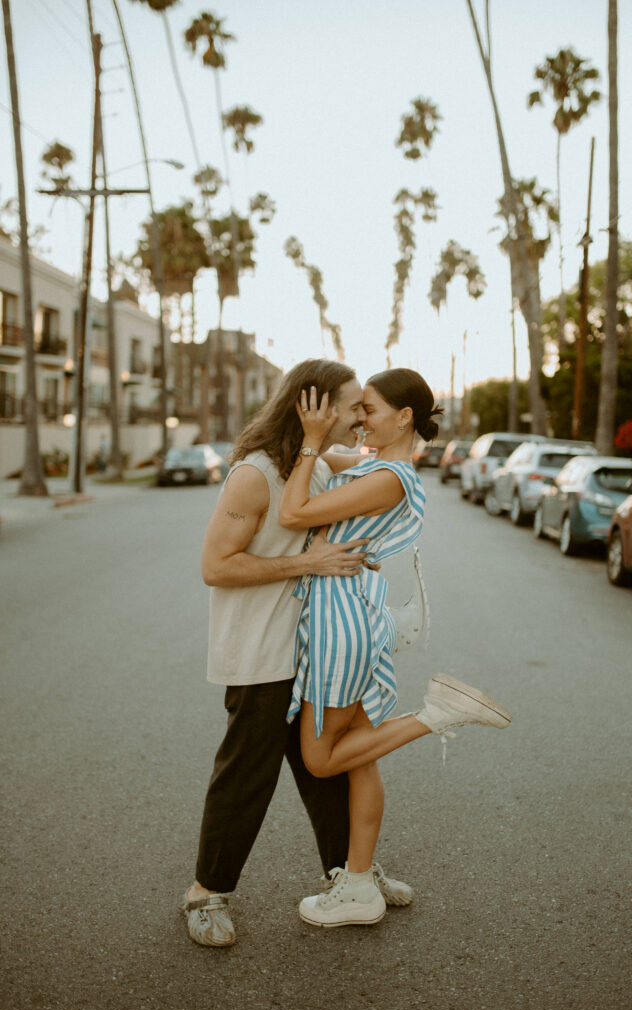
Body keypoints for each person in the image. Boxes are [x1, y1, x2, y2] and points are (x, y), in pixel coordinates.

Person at [183, 359, 413, 948]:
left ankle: (349, 875)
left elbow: (374, 473)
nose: (360, 415)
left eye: (366, 406)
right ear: (314, 407)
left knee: (326, 768)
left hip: (315, 648)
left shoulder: (318, 463)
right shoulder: (254, 475)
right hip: (260, 650)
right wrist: (309, 562)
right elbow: (215, 566)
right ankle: (206, 894)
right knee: (247, 774)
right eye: (352, 405)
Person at [278, 369, 512, 928]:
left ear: (404, 417)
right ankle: (359, 882)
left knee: (320, 758)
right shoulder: (378, 466)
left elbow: (292, 512)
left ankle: (437, 715)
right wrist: (314, 438)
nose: (360, 419)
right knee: (362, 759)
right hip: (352, 615)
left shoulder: (390, 477)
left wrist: (312, 443)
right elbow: (324, 465)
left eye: (371, 410)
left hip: (341, 624)